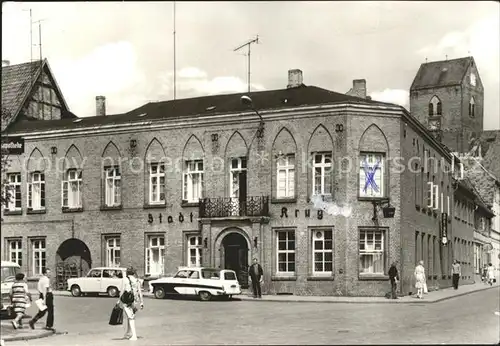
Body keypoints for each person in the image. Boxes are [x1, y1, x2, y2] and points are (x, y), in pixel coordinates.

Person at [117, 267, 144, 341]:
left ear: (127, 273)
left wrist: (119, 300)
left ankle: (134, 335)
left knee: (131, 317)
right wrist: (141, 302)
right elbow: (140, 292)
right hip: (134, 301)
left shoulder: (125, 279)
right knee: (130, 316)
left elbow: (122, 291)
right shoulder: (137, 280)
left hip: (127, 301)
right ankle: (128, 333)